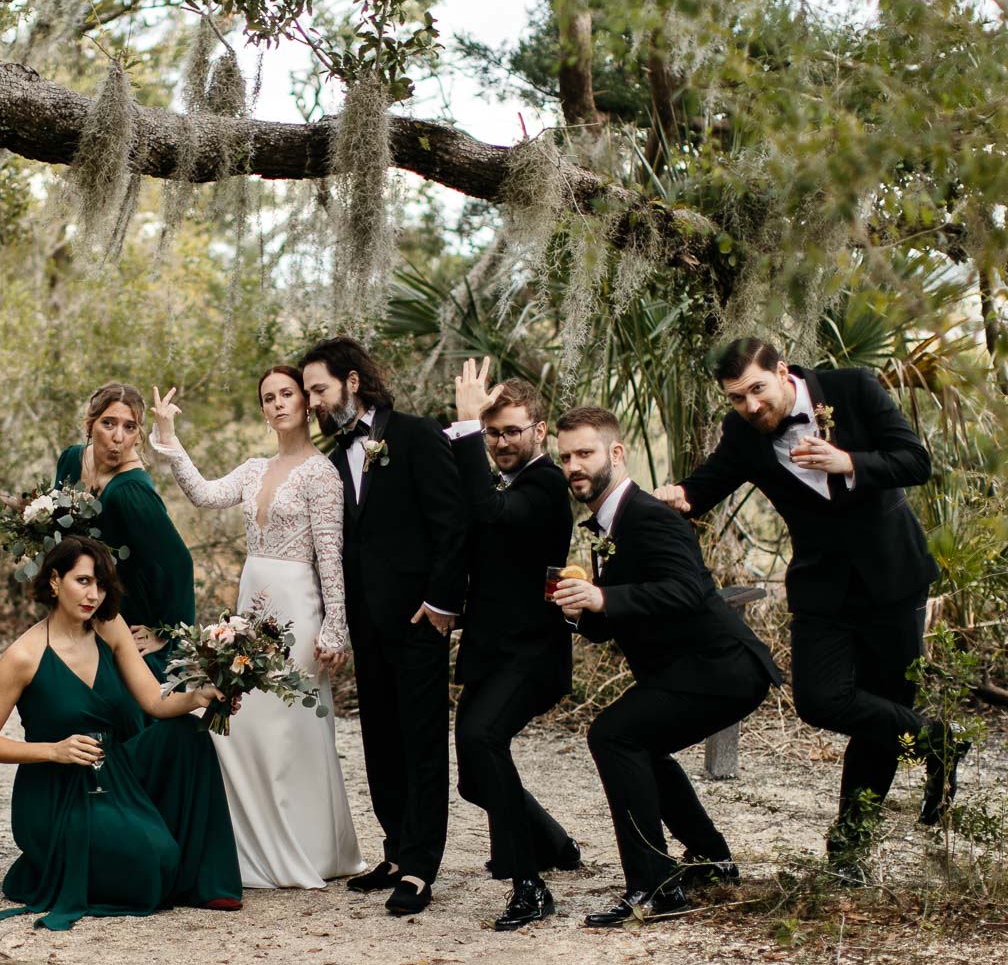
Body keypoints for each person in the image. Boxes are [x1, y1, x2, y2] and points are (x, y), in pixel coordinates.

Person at [650, 338, 957, 884]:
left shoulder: (853, 387)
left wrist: (850, 461)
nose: (750, 405)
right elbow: (704, 487)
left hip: (894, 578)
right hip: (822, 590)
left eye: (757, 390)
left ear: (782, 371)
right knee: (819, 701)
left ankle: (848, 854)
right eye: (736, 397)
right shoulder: (742, 431)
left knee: (883, 714)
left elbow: (917, 461)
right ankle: (937, 740)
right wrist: (676, 497)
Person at [552, 406, 782, 924]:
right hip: (697, 670)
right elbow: (615, 617)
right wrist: (578, 610)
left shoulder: (650, 515)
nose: (573, 466)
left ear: (616, 453)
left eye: (584, 453)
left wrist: (604, 598)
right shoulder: (613, 523)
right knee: (641, 743)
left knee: (614, 735)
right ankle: (711, 859)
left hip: (722, 666)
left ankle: (654, 886)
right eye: (565, 457)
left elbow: (685, 590)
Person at [147, 368, 366, 889]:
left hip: (299, 609)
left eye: (287, 394)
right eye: (268, 398)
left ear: (306, 403)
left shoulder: (321, 474)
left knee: (291, 727)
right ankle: (247, 848)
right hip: (251, 606)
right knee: (244, 723)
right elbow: (203, 494)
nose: (277, 404)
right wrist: (169, 439)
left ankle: (310, 850)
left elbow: (330, 556)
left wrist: (335, 627)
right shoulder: (253, 469)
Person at [0, 537, 242, 930]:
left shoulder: (109, 628)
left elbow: (155, 701)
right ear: (55, 580)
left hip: (115, 768)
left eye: (101, 584)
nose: (93, 595)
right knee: (155, 858)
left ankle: (208, 880)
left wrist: (199, 696)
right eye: (82, 581)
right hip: (56, 790)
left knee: (189, 732)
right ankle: (50, 864)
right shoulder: (23, 656)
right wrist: (53, 751)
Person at [299, 337, 468, 916]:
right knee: (379, 741)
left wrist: (442, 604)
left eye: (319, 389)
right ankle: (396, 850)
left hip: (420, 619)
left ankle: (421, 867)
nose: (314, 403)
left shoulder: (418, 435)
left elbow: (452, 524)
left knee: (422, 742)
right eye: (309, 394)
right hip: (366, 623)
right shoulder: (329, 461)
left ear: (352, 381)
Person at [443, 361, 580, 931]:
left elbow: (491, 514)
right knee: (473, 778)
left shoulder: (545, 483)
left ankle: (530, 884)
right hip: (491, 652)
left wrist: (466, 426)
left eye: (511, 432)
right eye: (492, 432)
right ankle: (555, 844)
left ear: (539, 431)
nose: (500, 442)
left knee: (482, 737)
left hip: (532, 655)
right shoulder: (505, 480)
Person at [54, 383, 195, 680]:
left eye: (129, 427)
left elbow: (179, 563)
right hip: (78, 607)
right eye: (108, 423)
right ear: (90, 424)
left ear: (138, 434)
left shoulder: (132, 490)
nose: (118, 437)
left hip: (125, 618)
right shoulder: (71, 460)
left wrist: (166, 632)